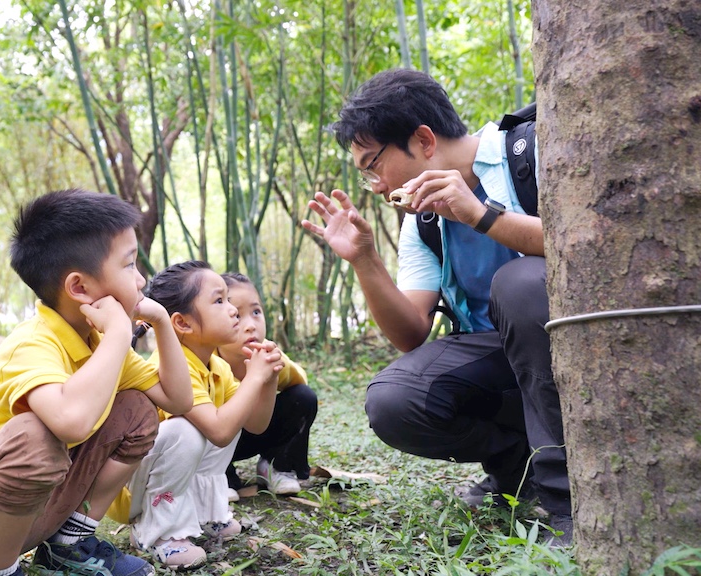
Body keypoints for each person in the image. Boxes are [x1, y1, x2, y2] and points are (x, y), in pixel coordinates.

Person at [301, 69, 572, 545]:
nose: (378, 186)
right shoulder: (422, 220)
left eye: (373, 166)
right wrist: (365, 259)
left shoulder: (530, 152)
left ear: (423, 140)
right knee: (394, 400)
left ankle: (564, 502)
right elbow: (410, 334)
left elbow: (584, 245)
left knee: (518, 283)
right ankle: (515, 466)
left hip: (565, 342)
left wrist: (480, 215)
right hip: (500, 364)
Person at [0, 189, 193, 576]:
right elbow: (71, 422)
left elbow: (178, 400)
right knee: (37, 435)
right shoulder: (32, 343)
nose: (141, 279)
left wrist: (163, 323)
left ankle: (69, 544)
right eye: (129, 265)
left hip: (43, 504)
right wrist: (119, 332)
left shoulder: (99, 342)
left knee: (136, 409)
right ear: (80, 288)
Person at [109, 260, 285, 570]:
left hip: (160, 477)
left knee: (232, 415)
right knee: (186, 432)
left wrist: (267, 379)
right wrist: (253, 378)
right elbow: (217, 431)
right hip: (129, 492)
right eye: (220, 301)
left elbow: (255, 425)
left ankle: (207, 515)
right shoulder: (169, 366)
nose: (233, 310)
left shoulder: (215, 366)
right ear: (183, 324)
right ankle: (158, 533)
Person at [217, 272, 317, 497]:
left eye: (256, 312)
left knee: (304, 396)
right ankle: (220, 477)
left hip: (255, 432)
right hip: (217, 440)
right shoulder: (205, 361)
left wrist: (279, 368)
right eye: (236, 315)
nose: (251, 325)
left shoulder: (267, 356)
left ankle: (277, 465)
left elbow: (299, 387)